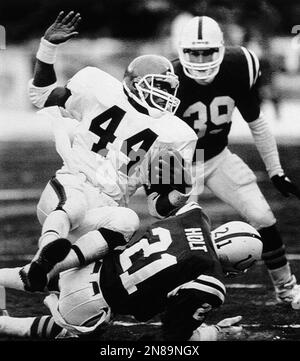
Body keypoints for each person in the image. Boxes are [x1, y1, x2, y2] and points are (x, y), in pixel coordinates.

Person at [23, 11, 198, 291]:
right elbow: (41, 96)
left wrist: (181, 192)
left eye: (169, 88)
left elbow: (157, 209)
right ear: (133, 82)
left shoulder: (177, 134)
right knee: (74, 206)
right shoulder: (98, 86)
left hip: (106, 207)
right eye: (158, 86)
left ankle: (49, 267)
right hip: (70, 185)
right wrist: (48, 46)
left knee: (128, 220)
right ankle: (47, 249)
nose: (166, 94)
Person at [172, 15, 300, 309]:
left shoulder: (239, 66)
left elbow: (257, 123)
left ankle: (286, 289)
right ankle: (175, 296)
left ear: (220, 49)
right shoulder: (169, 78)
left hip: (218, 157)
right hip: (178, 165)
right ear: (182, 50)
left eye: (207, 52)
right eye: (193, 52)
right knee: (183, 235)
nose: (200, 59)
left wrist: (276, 171)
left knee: (264, 217)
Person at [0, 202, 262, 341]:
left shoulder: (193, 214)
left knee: (29, 277)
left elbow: (164, 200)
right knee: (66, 331)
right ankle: (4, 324)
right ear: (240, 263)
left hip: (89, 266)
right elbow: (173, 334)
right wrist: (214, 333)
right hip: (87, 305)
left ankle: (44, 266)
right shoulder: (210, 279)